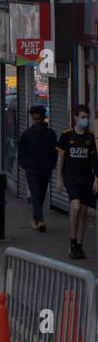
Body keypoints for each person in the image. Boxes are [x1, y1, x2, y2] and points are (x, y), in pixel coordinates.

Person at [57, 104, 98, 259]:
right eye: (82, 117)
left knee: (83, 212)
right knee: (75, 207)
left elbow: (95, 160)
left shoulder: (90, 138)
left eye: (87, 117)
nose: (85, 120)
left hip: (86, 179)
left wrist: (96, 178)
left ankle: (79, 245)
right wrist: (59, 179)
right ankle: (73, 242)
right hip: (71, 178)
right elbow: (60, 159)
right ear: (75, 118)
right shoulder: (66, 136)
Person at [18, 105, 57, 232]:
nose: (36, 121)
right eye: (34, 119)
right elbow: (22, 150)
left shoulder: (50, 134)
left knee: (41, 194)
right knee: (35, 193)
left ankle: (35, 218)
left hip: (45, 169)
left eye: (38, 119)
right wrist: (24, 164)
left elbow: (54, 151)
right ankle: (40, 220)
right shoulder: (27, 134)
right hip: (31, 169)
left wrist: (52, 165)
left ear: (43, 118)